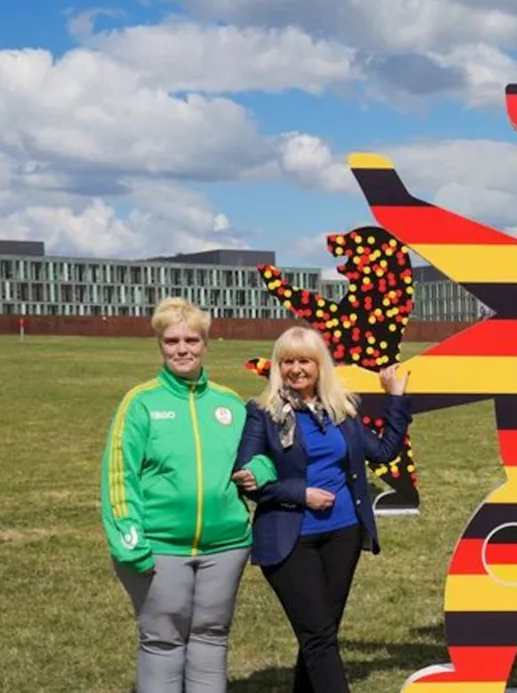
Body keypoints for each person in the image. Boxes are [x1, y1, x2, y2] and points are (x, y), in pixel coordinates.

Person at [231, 325, 411, 693]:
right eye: (288, 362)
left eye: (305, 361)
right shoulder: (262, 413)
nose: (296, 369)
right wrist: (302, 493)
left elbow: (384, 452)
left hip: (343, 534)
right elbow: (246, 476)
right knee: (318, 637)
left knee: (321, 634)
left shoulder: (339, 410)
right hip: (290, 539)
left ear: (320, 365)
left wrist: (396, 399)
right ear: (278, 367)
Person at [101, 297, 253, 693]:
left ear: (206, 343)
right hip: (160, 547)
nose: (182, 349)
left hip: (227, 546)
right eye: (171, 341)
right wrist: (129, 541)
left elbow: (257, 456)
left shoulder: (229, 403)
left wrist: (261, 471)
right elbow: (120, 475)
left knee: (211, 637)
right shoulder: (141, 402)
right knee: (163, 642)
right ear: (160, 344)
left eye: (191, 340)